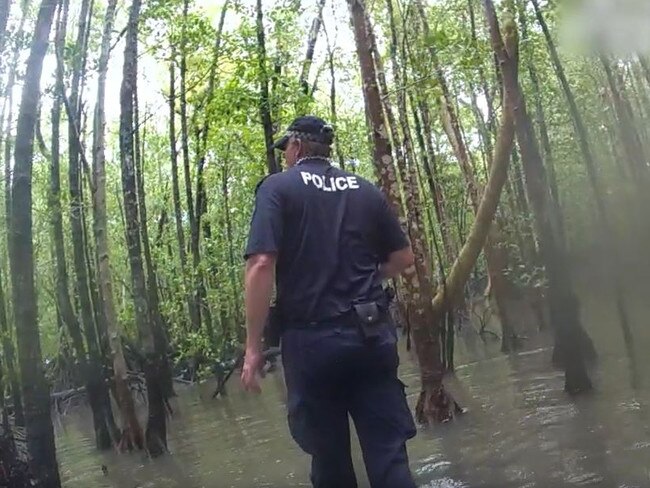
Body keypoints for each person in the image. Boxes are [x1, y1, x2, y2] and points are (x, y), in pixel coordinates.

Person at [241, 115, 418, 488]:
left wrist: (253, 348)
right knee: (389, 457)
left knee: (330, 463)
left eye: (286, 149)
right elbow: (403, 258)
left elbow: (260, 264)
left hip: (312, 345)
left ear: (297, 147)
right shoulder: (365, 190)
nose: (285, 157)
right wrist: (369, 277)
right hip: (371, 336)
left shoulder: (277, 189)